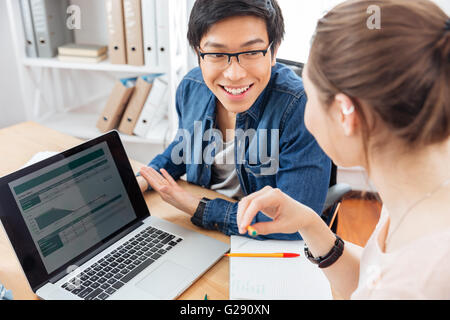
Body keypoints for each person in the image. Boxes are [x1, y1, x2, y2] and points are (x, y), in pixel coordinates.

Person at [237, 0, 450, 299]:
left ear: (344, 113)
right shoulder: (417, 189)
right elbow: (372, 279)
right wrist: (310, 223)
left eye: (309, 96)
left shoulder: (423, 281)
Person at [136, 0, 331, 240]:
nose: (234, 74)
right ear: (199, 54)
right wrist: (144, 178)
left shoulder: (301, 106)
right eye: (217, 54)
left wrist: (196, 207)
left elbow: (294, 223)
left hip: (260, 241)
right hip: (203, 233)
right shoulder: (191, 87)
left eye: (251, 52)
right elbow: (183, 148)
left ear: (274, 51)